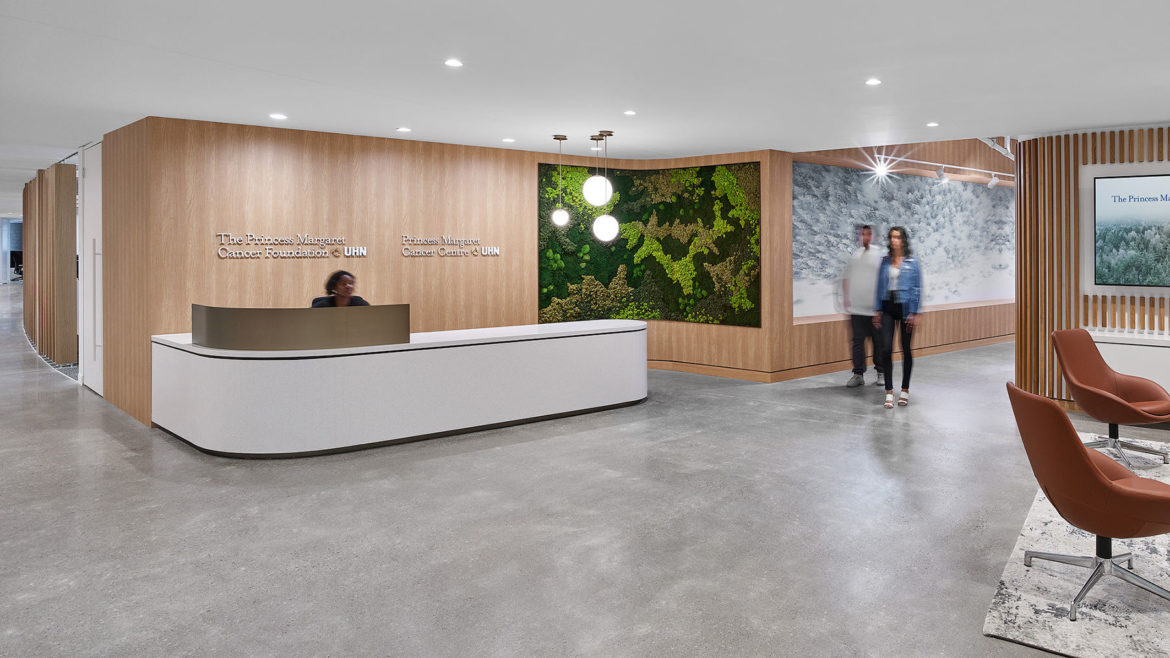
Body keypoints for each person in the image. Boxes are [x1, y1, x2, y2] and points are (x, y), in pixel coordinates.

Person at [872, 226, 923, 409]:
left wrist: (915, 312)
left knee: (905, 349)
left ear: (903, 240)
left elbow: (917, 288)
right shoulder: (885, 261)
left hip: (905, 308)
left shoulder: (912, 262)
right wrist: (877, 310)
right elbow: (879, 286)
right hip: (887, 306)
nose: (894, 240)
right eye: (891, 237)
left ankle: (905, 390)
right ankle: (889, 391)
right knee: (886, 349)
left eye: (897, 237)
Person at [842, 224, 883, 387]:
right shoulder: (855, 255)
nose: (865, 237)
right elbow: (847, 277)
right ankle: (858, 374)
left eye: (868, 234)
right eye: (862, 234)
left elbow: (884, 280)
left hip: (875, 309)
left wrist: (881, 307)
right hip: (857, 309)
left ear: (873, 236)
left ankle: (881, 372)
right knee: (857, 342)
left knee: (878, 342)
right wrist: (846, 298)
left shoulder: (879, 255)